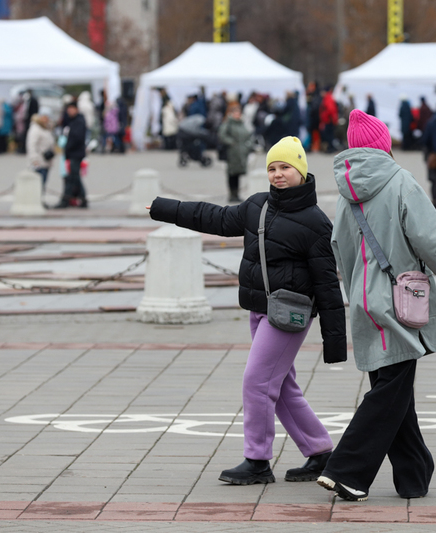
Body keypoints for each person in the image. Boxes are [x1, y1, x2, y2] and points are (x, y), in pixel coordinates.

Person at [148, 136, 347, 486]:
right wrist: (167, 209)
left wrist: (335, 343)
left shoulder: (316, 222)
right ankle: (319, 453)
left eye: (285, 167)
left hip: (289, 316)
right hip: (259, 310)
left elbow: (328, 285)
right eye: (272, 168)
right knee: (280, 385)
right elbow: (215, 218)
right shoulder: (258, 206)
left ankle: (257, 461)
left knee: (256, 382)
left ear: (301, 170)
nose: (278, 174)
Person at [320, 109, 436, 502]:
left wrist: (355, 288)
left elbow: (340, 248)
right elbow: (431, 242)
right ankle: (346, 471)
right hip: (398, 300)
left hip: (362, 299)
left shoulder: (345, 191)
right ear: (384, 145)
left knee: (392, 388)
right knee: (391, 390)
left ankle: (414, 473)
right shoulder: (401, 182)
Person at [55, 102, 87, 209]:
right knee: (74, 177)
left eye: (71, 108)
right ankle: (81, 199)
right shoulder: (72, 121)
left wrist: (67, 147)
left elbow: (76, 138)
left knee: (72, 177)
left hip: (75, 153)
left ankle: (66, 200)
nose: (69, 111)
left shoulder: (78, 121)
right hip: (72, 153)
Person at [218, 104, 252, 202]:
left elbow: (248, 135)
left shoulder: (242, 123)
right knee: (232, 174)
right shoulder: (228, 123)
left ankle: (236, 194)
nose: (237, 114)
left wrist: (248, 146)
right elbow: (222, 135)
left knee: (238, 174)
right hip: (232, 153)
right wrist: (231, 142)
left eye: (239, 112)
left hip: (241, 154)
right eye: (235, 112)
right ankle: (232, 194)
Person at [25, 114, 55, 193]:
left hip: (46, 160)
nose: (45, 119)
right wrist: (34, 159)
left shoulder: (46, 128)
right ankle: (36, 201)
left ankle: (40, 200)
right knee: (38, 183)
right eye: (43, 117)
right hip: (39, 161)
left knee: (43, 183)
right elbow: (31, 145)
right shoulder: (35, 128)